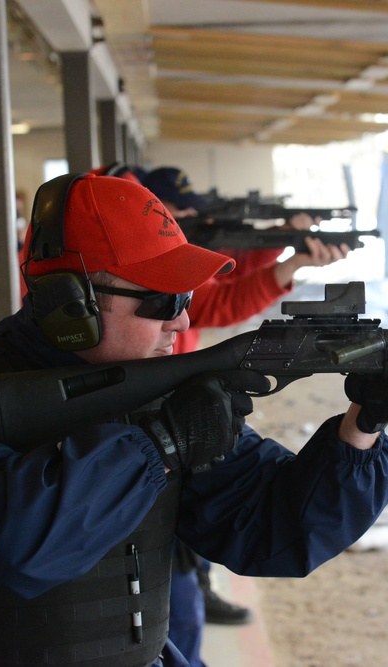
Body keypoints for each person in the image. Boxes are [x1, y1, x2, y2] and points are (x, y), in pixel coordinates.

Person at [0, 173, 388, 667]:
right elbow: (10, 542)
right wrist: (159, 444)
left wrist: (363, 427)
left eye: (185, 300)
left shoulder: (157, 391)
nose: (182, 324)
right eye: (162, 301)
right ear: (69, 304)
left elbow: (275, 531)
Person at [140, 165, 350, 665]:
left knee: (184, 594)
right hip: (155, 411)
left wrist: (289, 253)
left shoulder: (167, 273)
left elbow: (217, 295)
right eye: (179, 213)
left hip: (171, 397)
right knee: (177, 606)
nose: (190, 220)